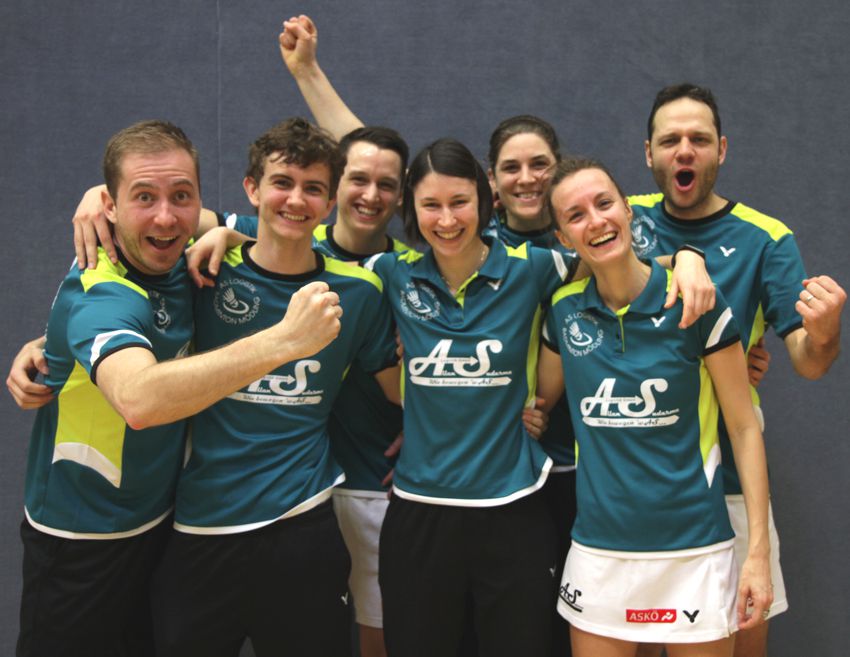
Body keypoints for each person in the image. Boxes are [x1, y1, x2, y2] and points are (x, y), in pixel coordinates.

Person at [11, 120, 344, 657]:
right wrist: (285, 341)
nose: (166, 217)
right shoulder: (101, 287)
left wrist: (228, 232)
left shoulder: (180, 252)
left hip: (161, 527)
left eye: (181, 197)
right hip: (82, 541)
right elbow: (139, 400)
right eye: (143, 197)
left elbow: (280, 224)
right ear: (109, 207)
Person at [151, 117, 401, 657]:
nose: (295, 200)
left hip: (302, 524)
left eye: (313, 189)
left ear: (330, 202)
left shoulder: (359, 292)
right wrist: (45, 343)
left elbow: (400, 390)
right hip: (202, 525)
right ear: (252, 188)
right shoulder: (201, 272)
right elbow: (126, 338)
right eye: (282, 183)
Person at [627, 83, 846, 657]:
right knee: (642, 640)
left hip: (728, 477)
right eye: (669, 140)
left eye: (699, 139)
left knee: (745, 634)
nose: (684, 150)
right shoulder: (620, 217)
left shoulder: (766, 238)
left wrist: (825, 333)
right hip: (637, 474)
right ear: (647, 153)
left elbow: (808, 360)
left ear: (721, 149)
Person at [538, 157, 773, 657]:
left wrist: (757, 553)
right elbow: (537, 397)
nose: (596, 220)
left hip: (695, 548)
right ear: (562, 237)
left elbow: (743, 427)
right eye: (576, 215)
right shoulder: (563, 310)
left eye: (604, 203)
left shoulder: (697, 301)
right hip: (600, 552)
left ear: (627, 210)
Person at [361, 137, 575, 657]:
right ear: (410, 208)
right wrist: (228, 232)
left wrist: (685, 260)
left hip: (513, 507)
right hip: (419, 510)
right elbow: (295, 253)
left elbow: (618, 264)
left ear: (483, 198)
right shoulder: (388, 273)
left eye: (459, 202)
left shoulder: (533, 268)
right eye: (430, 205)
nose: (446, 219)